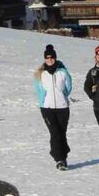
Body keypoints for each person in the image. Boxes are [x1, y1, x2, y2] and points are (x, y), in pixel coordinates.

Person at [33, 43, 72, 171]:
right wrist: (43, 102)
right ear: (45, 59)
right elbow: (39, 90)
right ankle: (59, 159)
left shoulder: (63, 72)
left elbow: (68, 88)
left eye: (51, 57)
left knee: (62, 133)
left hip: (62, 108)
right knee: (55, 133)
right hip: (47, 108)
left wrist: (62, 97)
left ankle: (63, 156)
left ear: (55, 58)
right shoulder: (41, 74)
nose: (49, 60)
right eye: (47, 58)